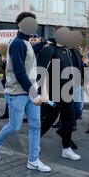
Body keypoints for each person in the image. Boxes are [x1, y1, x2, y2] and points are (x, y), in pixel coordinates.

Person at [0, 12, 51, 172]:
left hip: (30, 91)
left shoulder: (26, 42)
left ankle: (33, 160)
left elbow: (30, 51)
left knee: (36, 125)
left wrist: (47, 42)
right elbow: (19, 71)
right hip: (18, 92)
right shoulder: (17, 44)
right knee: (14, 126)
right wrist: (34, 94)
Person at [37, 29, 82, 161]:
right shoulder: (49, 50)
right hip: (52, 93)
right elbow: (41, 71)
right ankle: (34, 143)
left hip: (67, 92)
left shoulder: (69, 50)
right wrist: (44, 93)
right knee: (48, 120)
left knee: (69, 119)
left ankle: (66, 149)